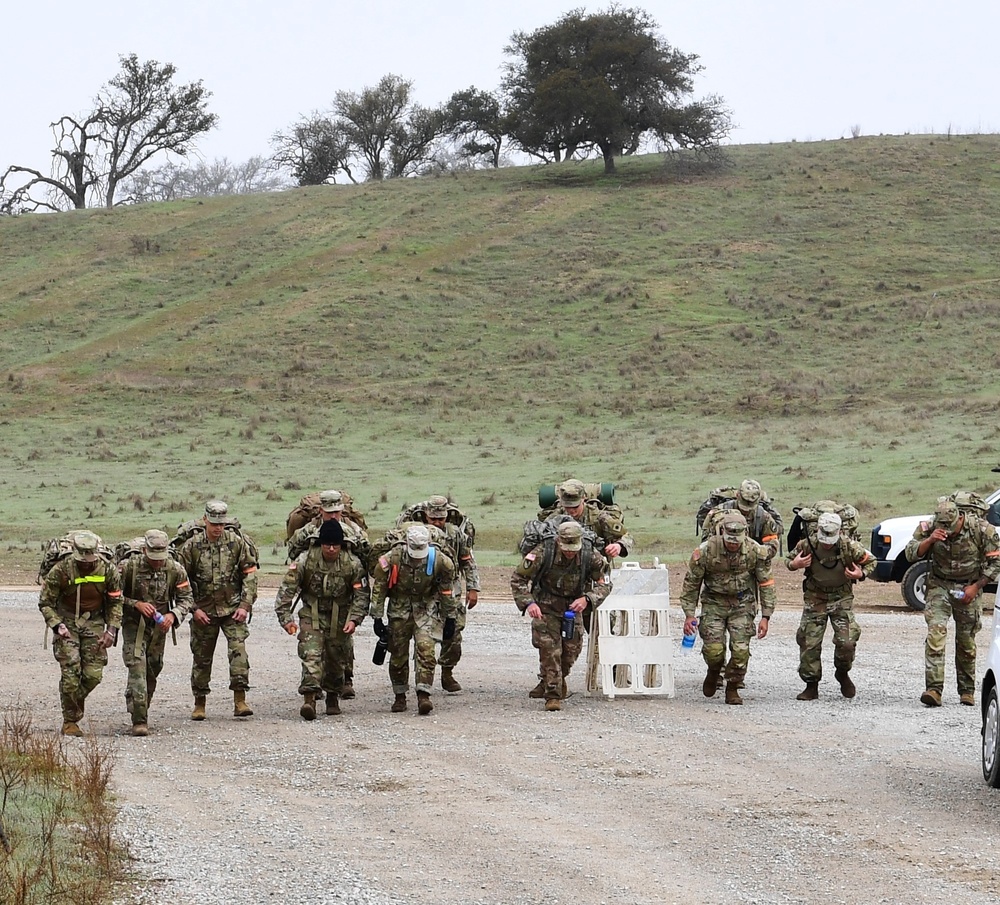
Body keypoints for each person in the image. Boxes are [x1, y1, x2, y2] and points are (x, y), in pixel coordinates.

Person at [904, 498, 1000, 707]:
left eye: (951, 527)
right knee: (935, 634)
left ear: (960, 517)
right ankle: (934, 690)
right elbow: (910, 553)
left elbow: (996, 561)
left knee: (966, 641)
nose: (947, 531)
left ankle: (966, 691)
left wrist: (976, 586)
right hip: (939, 585)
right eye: (943, 527)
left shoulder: (981, 530)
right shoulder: (930, 527)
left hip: (969, 586)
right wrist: (929, 541)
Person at [274, 519, 371, 720]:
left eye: (335, 545)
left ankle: (333, 697)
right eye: (327, 544)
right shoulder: (305, 560)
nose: (331, 549)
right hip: (312, 613)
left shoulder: (352, 563)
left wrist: (354, 619)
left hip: (340, 615)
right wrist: (286, 618)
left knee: (337, 658)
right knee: (311, 654)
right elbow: (287, 590)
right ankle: (309, 699)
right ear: (320, 543)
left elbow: (362, 595)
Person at [510, 521, 611, 712]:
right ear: (558, 541)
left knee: (571, 652)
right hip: (546, 606)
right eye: (566, 548)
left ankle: (552, 680)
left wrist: (588, 599)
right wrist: (529, 603)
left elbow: (605, 583)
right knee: (550, 649)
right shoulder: (543, 552)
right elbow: (518, 579)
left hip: (574, 608)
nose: (570, 552)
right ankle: (553, 695)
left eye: (574, 549)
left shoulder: (590, 555)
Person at [680, 511, 776, 705]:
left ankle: (733, 687)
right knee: (714, 650)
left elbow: (766, 582)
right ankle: (714, 671)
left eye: (736, 540)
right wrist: (689, 614)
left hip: (742, 603)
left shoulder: (754, 551)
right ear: (722, 531)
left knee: (741, 650)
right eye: (729, 539)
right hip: (714, 603)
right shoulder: (706, 551)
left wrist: (766, 616)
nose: (733, 544)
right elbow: (692, 583)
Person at [176, 500, 259, 720]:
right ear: (205, 520)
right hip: (204, 611)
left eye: (221, 524)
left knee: (239, 653)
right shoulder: (191, 547)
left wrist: (245, 605)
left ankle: (240, 700)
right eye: (213, 523)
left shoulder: (236, 543)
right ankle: (199, 703)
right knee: (202, 658)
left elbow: (249, 574)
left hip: (232, 609)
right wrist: (193, 609)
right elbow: (180, 582)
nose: (217, 528)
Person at [38, 531, 123, 736]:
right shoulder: (61, 570)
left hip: (94, 622)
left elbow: (115, 602)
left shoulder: (109, 570)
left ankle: (72, 700)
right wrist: (57, 625)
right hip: (66, 621)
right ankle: (70, 721)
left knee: (93, 675)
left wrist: (111, 630)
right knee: (70, 673)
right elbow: (45, 602)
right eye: (81, 561)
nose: (86, 564)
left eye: (89, 560)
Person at [286, 489, 370, 700]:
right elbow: (293, 551)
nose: (333, 516)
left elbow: (367, 554)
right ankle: (315, 682)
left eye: (337, 512)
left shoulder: (353, 530)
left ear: (342, 510)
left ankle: (345, 680)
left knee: (343, 641)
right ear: (321, 510)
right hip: (316, 590)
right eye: (329, 512)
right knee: (312, 643)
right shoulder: (308, 531)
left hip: (345, 589)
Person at [786, 512, 875, 700]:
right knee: (809, 642)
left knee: (847, 641)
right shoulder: (807, 544)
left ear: (839, 532)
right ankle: (811, 685)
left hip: (840, 598)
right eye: (823, 537)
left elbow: (872, 561)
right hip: (815, 597)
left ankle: (842, 672)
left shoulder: (849, 546)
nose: (827, 542)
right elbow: (788, 561)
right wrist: (795, 564)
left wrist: (861, 574)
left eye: (831, 538)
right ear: (818, 530)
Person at [370, 525, 456, 715]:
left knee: (426, 650)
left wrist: (450, 617)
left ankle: (423, 694)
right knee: (398, 654)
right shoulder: (392, 558)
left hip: (426, 609)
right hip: (399, 610)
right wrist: (377, 616)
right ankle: (399, 695)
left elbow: (447, 591)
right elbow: (379, 588)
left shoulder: (441, 561)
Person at [119, 530, 195, 736]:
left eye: (161, 559)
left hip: (159, 628)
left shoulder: (175, 569)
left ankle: (138, 702)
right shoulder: (128, 568)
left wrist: (174, 614)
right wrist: (136, 604)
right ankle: (139, 720)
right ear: (145, 551)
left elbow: (187, 598)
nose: (157, 563)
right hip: (133, 626)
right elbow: (113, 596)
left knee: (153, 668)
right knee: (137, 667)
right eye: (153, 558)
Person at [413, 495, 480, 693]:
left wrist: (473, 587)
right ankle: (422, 677)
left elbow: (467, 561)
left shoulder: (455, 534)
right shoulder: (418, 534)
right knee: (423, 636)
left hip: (451, 590)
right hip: (425, 592)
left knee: (454, 633)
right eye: (433, 519)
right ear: (426, 516)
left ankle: (447, 671)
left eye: (440, 519)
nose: (436, 523)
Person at [545, 479, 633, 561]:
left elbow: (627, 536)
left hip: (595, 568)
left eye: (575, 506)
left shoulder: (599, 518)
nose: (571, 510)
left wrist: (619, 546)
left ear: (583, 499)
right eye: (567, 506)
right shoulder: (555, 518)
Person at [702, 479, 781, 559]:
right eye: (743, 506)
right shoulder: (718, 513)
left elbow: (772, 545)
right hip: (722, 560)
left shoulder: (764, 518)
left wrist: (756, 553)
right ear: (737, 495)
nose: (745, 511)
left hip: (754, 560)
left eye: (750, 508)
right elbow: (706, 544)